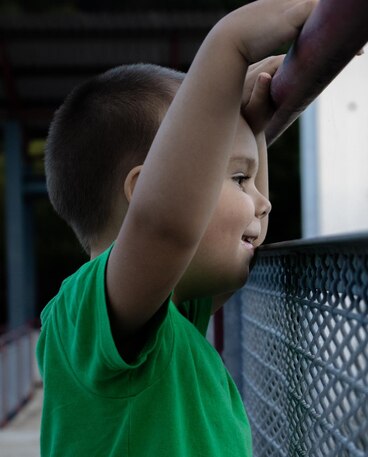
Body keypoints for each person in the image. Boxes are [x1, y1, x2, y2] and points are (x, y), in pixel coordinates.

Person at [36, 0, 317, 455]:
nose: (262, 203)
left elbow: (218, 230)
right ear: (146, 191)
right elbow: (168, 225)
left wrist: (252, 124)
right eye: (240, 179)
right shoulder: (87, 314)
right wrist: (229, 45)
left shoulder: (171, 314)